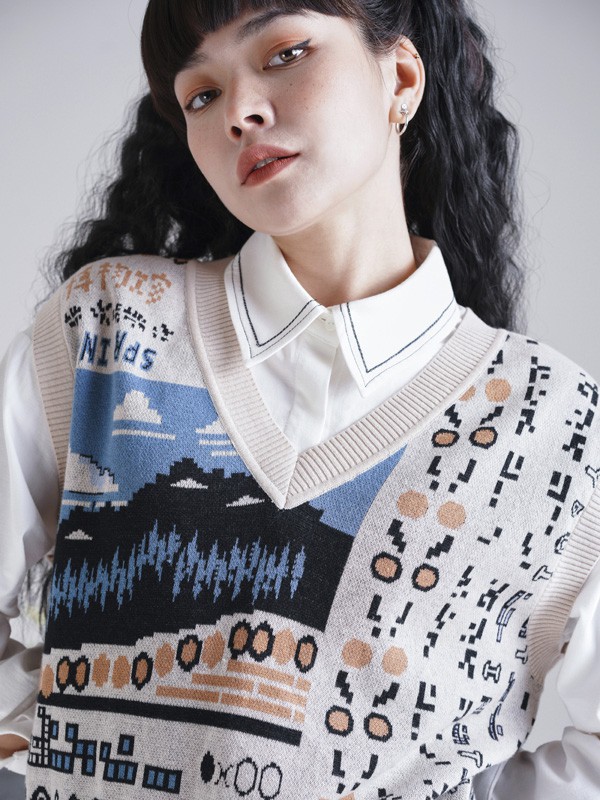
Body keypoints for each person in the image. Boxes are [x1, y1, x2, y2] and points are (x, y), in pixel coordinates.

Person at [1, 1, 599, 798]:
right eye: (202, 94)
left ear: (401, 78)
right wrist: (48, 747)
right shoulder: (109, 327)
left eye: (284, 53)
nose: (239, 112)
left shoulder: (558, 426)